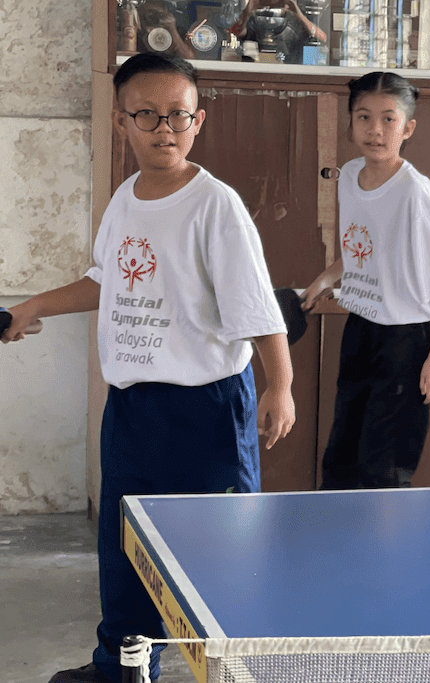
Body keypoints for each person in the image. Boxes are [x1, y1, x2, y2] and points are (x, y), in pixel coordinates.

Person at [1, 53, 296, 683]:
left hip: (207, 408)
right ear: (121, 122)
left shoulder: (216, 206)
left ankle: (233, 671)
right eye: (147, 115)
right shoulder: (125, 200)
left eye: (178, 115)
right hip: (134, 408)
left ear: (198, 121)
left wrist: (282, 385)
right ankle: (123, 667)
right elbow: (104, 281)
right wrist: (31, 306)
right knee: (127, 545)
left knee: (218, 551)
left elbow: (256, 307)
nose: (165, 128)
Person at [301, 71, 430, 490]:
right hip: (361, 330)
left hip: (406, 340)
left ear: (407, 128)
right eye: (364, 117)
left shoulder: (416, 194)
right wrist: (324, 280)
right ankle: (340, 531)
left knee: (384, 467)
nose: (375, 129)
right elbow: (360, 249)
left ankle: (385, 532)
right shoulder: (349, 176)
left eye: (388, 119)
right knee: (342, 453)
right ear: (350, 122)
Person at [231, 0, 327, 63]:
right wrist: (247, 11)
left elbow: (322, 39)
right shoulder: (258, 15)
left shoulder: (302, 16)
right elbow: (236, 33)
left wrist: (297, 13)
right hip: (261, 66)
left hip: (293, 68)